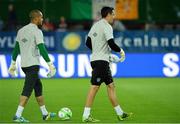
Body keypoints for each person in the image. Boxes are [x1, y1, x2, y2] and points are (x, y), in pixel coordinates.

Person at [82, 6, 132, 122]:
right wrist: (121, 51)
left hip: (96, 59)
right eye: (113, 14)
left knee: (111, 86)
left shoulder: (95, 25)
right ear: (108, 14)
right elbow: (111, 43)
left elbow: (88, 42)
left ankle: (120, 113)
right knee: (94, 87)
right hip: (101, 62)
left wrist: (99, 51)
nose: (114, 17)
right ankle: (85, 115)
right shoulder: (107, 26)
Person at [8, 9, 56, 123]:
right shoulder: (37, 31)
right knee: (27, 90)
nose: (42, 19)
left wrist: (13, 64)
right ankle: (17, 115)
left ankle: (45, 114)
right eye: (41, 17)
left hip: (24, 65)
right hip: (33, 64)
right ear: (36, 18)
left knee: (38, 88)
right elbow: (42, 49)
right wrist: (50, 65)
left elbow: (16, 48)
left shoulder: (21, 31)